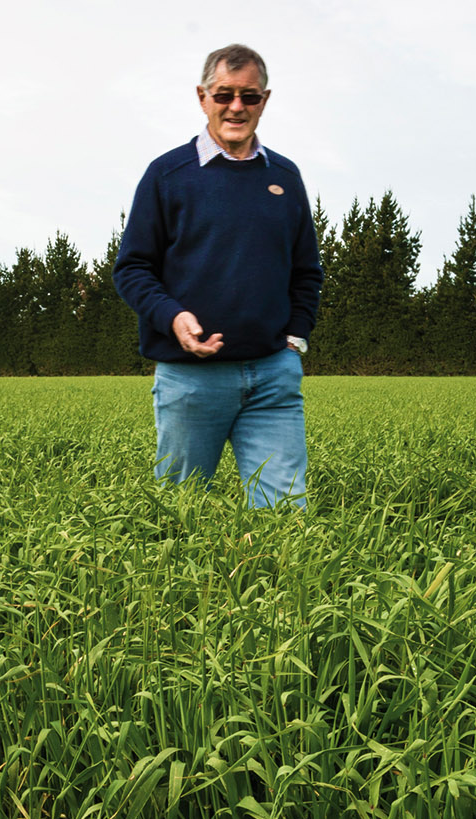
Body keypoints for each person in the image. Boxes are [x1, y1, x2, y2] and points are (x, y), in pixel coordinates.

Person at [113, 43, 322, 508]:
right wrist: (173, 318)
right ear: (202, 97)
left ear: (265, 100)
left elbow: (307, 271)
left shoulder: (285, 178)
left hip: (272, 376)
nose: (236, 107)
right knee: (181, 512)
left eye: (249, 96)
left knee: (285, 515)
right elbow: (132, 268)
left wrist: (295, 339)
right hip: (190, 380)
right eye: (224, 94)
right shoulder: (167, 175)